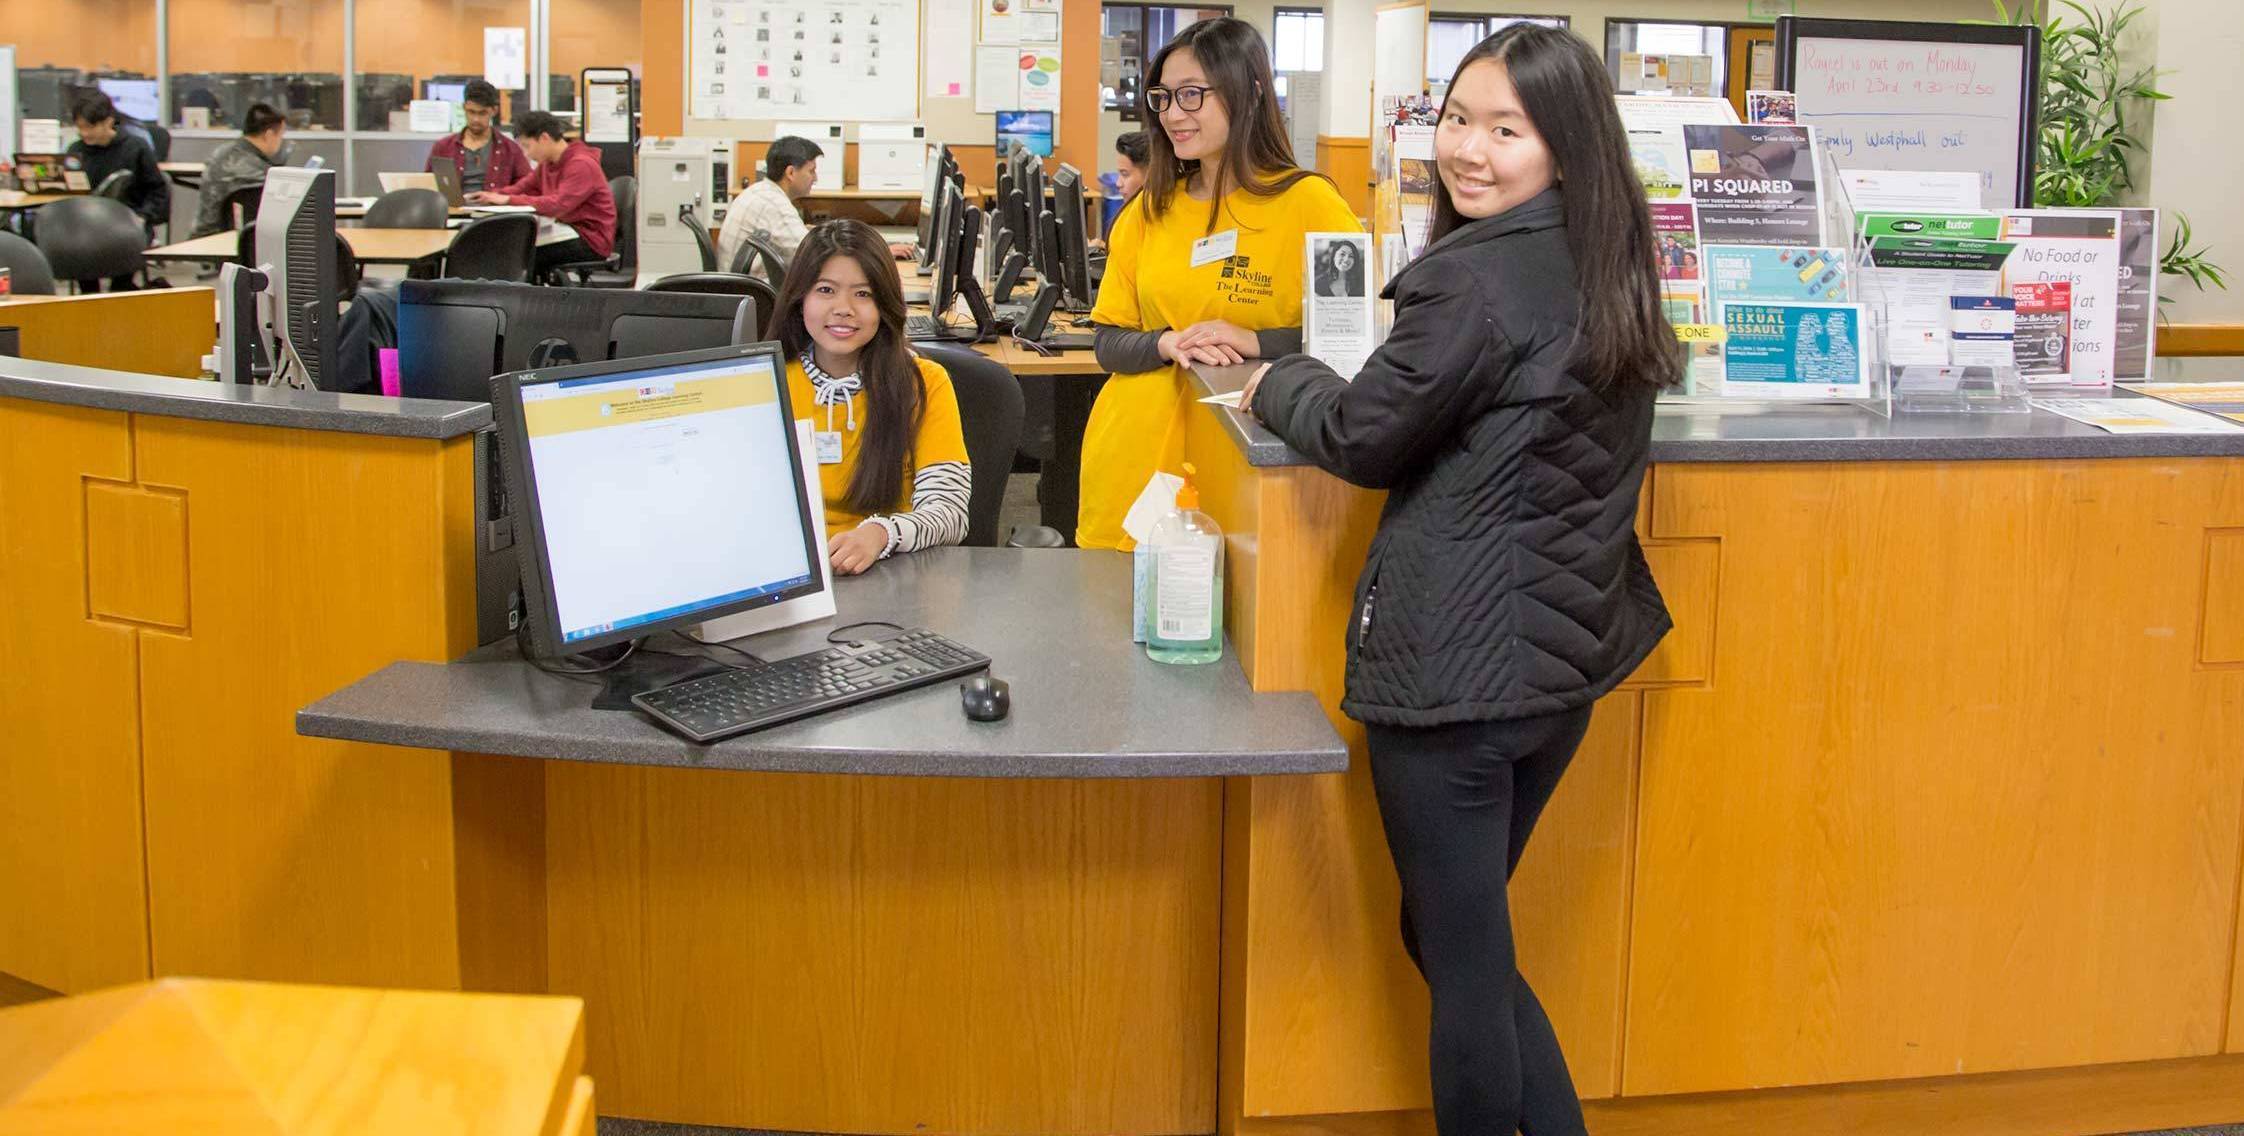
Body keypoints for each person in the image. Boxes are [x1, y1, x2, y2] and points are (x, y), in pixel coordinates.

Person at [1235, 25, 1676, 1136]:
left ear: (1565, 146)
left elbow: (1361, 432)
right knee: (1457, 939)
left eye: (1505, 129)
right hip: (1559, 673)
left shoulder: (1475, 279)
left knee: (1462, 961)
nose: (1468, 150)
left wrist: (1272, 377)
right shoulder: (1605, 255)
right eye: (1457, 119)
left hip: (1457, 676)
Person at [1078, 16, 1360, 550]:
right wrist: (1164, 342)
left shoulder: (1311, 205)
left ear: (1249, 91)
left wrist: (1256, 341)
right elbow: (1108, 342)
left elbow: (1352, 344)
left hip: (1249, 464)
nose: (1172, 115)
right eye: (1163, 98)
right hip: (1136, 464)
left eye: (1192, 95)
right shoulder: (1147, 210)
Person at [766, 219, 971, 574]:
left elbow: (948, 511)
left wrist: (880, 533)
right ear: (800, 298)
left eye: (863, 294)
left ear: (884, 305)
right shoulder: (768, 383)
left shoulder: (924, 383)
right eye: (826, 290)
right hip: (791, 573)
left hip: (891, 570)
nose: (843, 308)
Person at [468, 112, 618, 280]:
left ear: (544, 138)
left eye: (527, 146)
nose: (526, 154)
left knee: (518, 254)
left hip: (589, 241)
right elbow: (523, 187)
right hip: (566, 231)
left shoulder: (581, 164)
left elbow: (558, 205)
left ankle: (523, 299)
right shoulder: (548, 164)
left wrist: (509, 200)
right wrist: (492, 196)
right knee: (515, 249)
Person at [63, 92, 169, 291]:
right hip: (86, 226)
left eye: (90, 127)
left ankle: (121, 290)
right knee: (78, 253)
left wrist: (144, 216)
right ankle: (89, 298)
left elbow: (157, 190)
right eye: (80, 128)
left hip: (127, 223)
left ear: (109, 121)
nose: (85, 133)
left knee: (120, 270)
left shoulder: (135, 148)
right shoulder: (76, 151)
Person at [719, 135, 821, 273]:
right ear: (790, 172)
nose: (815, 178)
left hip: (735, 286)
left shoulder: (759, 191)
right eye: (811, 171)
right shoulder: (775, 204)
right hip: (755, 290)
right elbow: (811, 257)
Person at [191, 103, 289, 238]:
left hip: (201, 238)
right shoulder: (257, 171)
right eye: (281, 136)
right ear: (269, 135)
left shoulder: (220, 153)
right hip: (234, 243)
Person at [425, 79, 531, 196]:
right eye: (471, 112)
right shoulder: (443, 147)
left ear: (494, 111)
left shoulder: (510, 149)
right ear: (464, 108)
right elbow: (427, 185)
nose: (476, 119)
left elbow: (527, 186)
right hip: (453, 212)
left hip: (496, 212)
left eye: (482, 113)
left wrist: (502, 196)